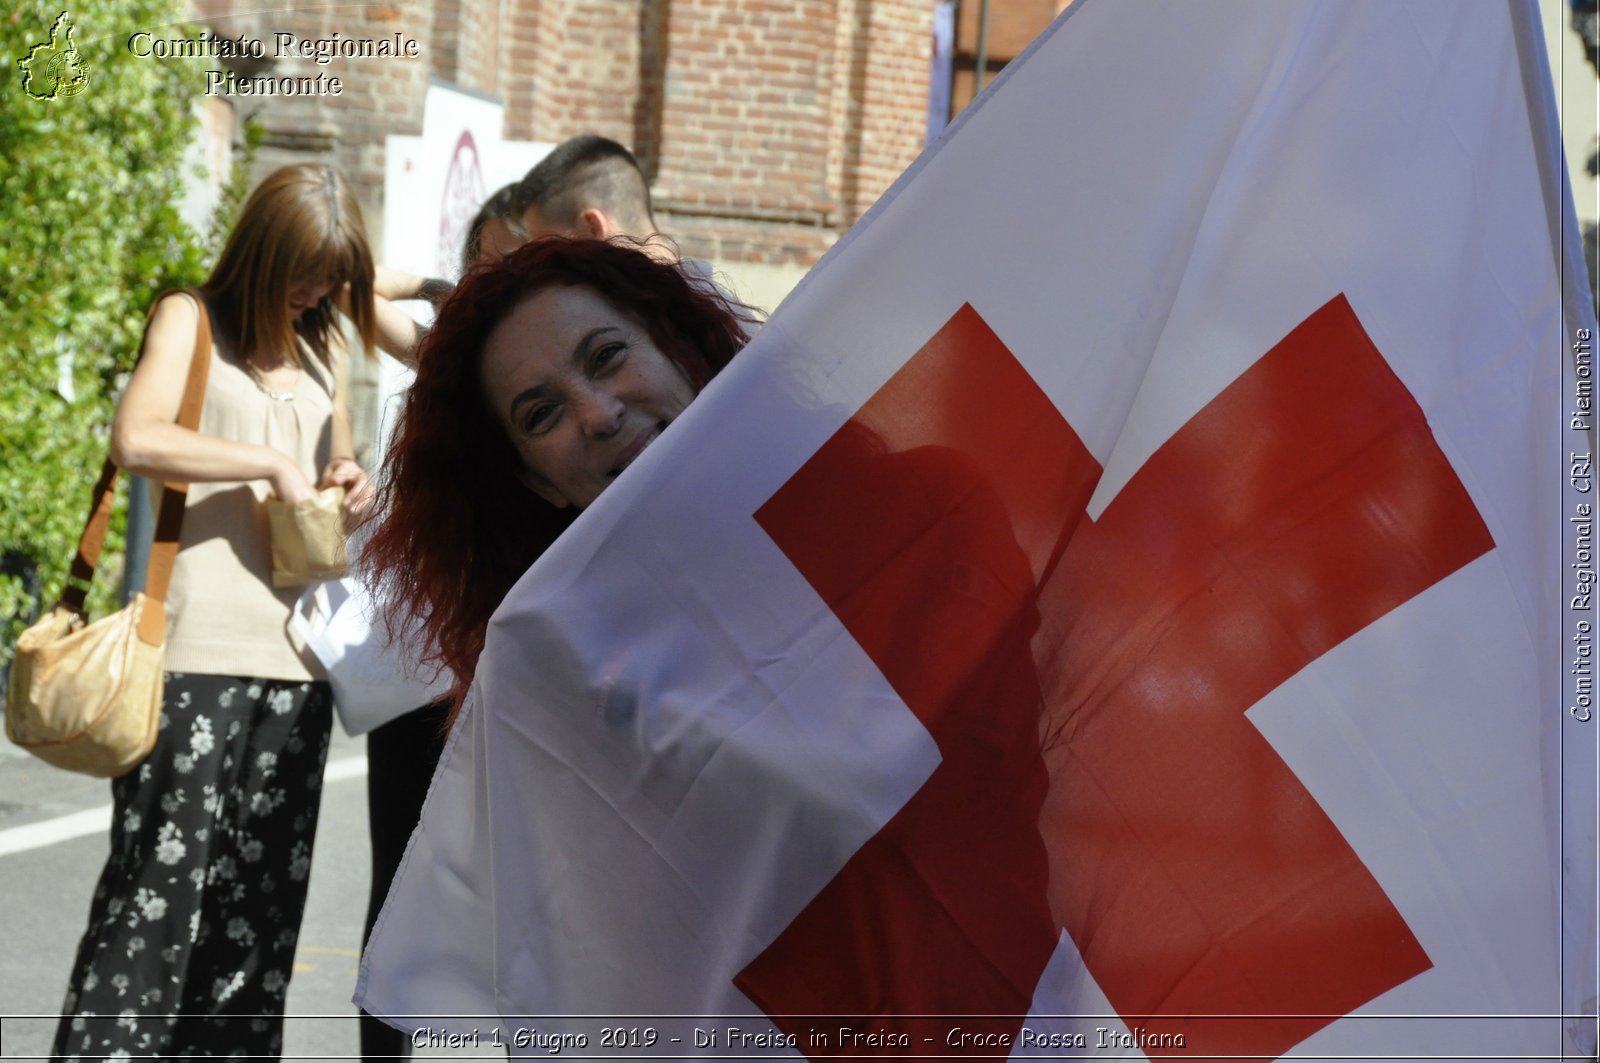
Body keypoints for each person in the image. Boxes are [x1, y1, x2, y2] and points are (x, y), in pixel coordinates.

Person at [51, 163, 378, 1061]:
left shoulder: (329, 345)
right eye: (304, 270)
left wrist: (351, 484)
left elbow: (335, 463)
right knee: (153, 898)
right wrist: (264, 463)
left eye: (331, 275)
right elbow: (137, 436)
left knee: (258, 925)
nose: (315, 291)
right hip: (192, 656)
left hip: (298, 669)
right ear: (264, 252)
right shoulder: (191, 320)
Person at [362, 236, 751, 712]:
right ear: (537, 481)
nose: (600, 415)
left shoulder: (852, 489)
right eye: (542, 413)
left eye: (606, 356)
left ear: (677, 346)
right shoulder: (569, 694)